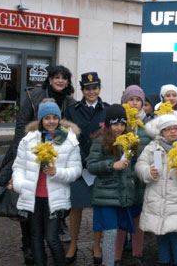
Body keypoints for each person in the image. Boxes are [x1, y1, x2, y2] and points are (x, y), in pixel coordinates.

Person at [0, 65, 76, 265]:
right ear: (49, 79)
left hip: (54, 184)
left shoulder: (70, 102)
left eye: (63, 78)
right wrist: (19, 175)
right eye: (56, 77)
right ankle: (29, 251)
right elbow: (20, 128)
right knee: (31, 229)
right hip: (30, 168)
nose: (60, 81)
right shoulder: (34, 97)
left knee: (51, 235)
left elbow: (72, 155)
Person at [12, 100, 82, 266]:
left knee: (52, 238)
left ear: (59, 118)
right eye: (47, 118)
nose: (51, 121)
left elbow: (76, 170)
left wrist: (57, 172)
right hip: (33, 196)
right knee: (36, 238)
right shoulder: (29, 140)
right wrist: (20, 185)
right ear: (41, 120)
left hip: (55, 198)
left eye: (54, 117)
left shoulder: (69, 140)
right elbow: (19, 166)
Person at [135, 112, 177, 266]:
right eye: (168, 129)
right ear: (161, 132)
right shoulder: (152, 148)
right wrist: (148, 172)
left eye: (175, 128)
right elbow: (140, 166)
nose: (173, 131)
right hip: (157, 202)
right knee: (161, 238)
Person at [63, 72, 108, 264]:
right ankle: (73, 243)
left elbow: (110, 139)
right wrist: (82, 161)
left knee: (98, 206)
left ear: (99, 88)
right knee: (76, 206)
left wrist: (95, 162)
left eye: (95, 88)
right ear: (82, 90)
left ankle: (97, 245)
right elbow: (67, 136)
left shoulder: (107, 109)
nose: (92, 92)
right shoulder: (72, 109)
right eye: (88, 88)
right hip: (78, 165)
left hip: (98, 166)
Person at [86, 104, 137, 266]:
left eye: (122, 124)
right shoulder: (101, 141)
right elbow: (91, 165)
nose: (119, 128)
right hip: (106, 196)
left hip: (122, 195)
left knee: (117, 232)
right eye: (115, 124)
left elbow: (132, 165)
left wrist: (132, 177)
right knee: (110, 232)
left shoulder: (129, 141)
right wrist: (111, 165)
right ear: (109, 124)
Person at [120, 85, 151, 266]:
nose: (134, 103)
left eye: (138, 100)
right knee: (122, 219)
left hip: (140, 178)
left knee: (139, 219)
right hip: (122, 179)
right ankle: (116, 256)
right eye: (131, 99)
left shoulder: (147, 125)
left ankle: (137, 254)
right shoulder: (119, 123)